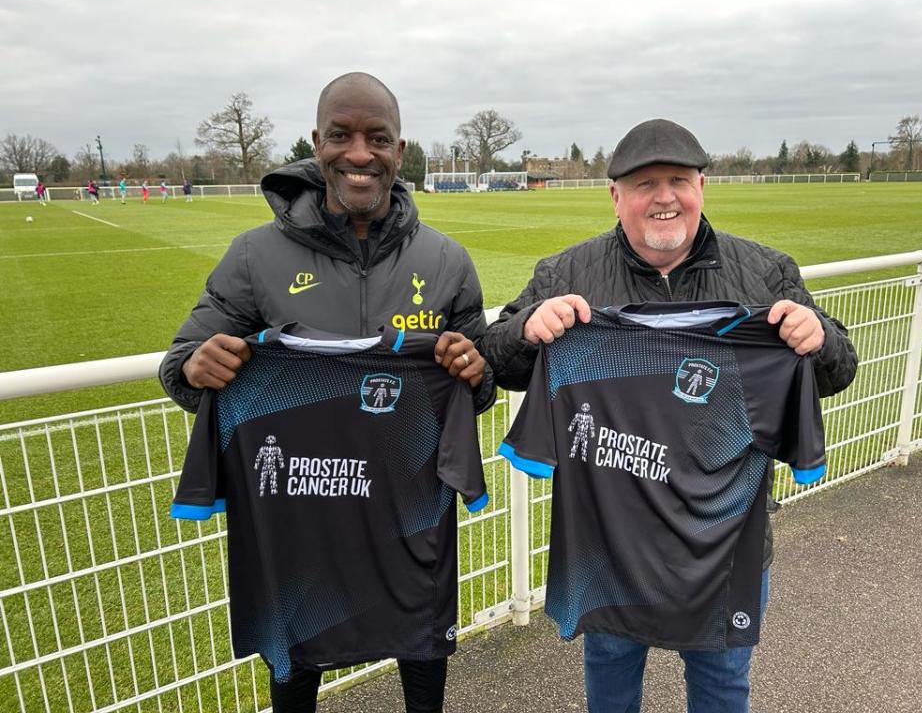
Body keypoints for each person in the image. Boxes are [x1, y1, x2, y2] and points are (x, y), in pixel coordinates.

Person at [480, 118, 858, 713]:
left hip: (725, 539)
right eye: (644, 184)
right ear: (616, 196)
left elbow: (838, 370)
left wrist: (821, 340)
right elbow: (496, 359)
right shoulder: (566, 274)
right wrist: (527, 331)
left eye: (678, 180)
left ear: (701, 187)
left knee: (721, 682)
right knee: (609, 678)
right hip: (608, 538)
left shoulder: (764, 273)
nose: (663, 198)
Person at [160, 71, 494, 713]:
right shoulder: (255, 256)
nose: (360, 154)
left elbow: (474, 387)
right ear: (318, 142)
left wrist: (473, 371)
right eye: (342, 136)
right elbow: (181, 365)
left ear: (401, 148)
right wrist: (193, 368)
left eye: (378, 138)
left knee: (423, 662)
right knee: (295, 669)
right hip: (302, 509)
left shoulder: (447, 260)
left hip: (410, 508)